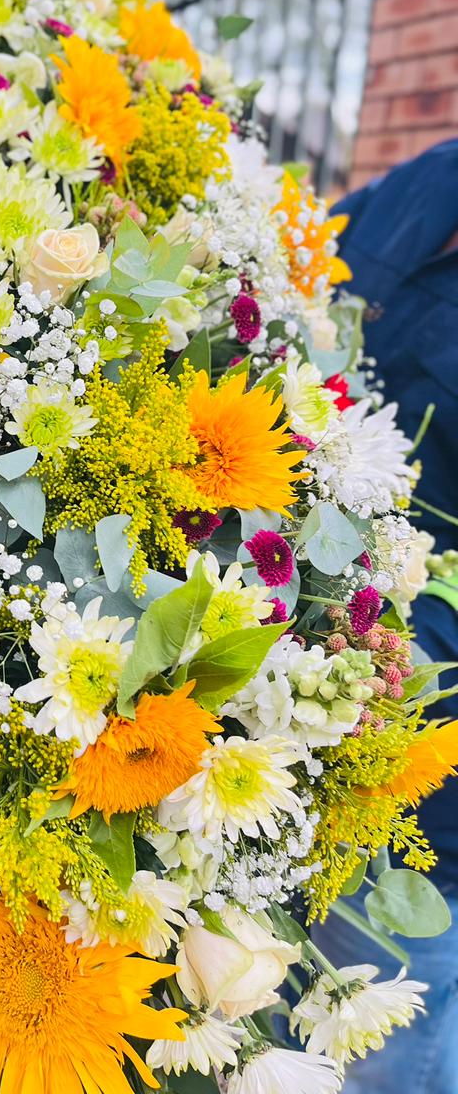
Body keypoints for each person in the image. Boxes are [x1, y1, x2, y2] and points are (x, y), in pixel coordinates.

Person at [315, 138, 458, 1092]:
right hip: (285, 754)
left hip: (416, 816)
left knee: (385, 1061)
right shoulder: (430, 178)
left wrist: (368, 650)